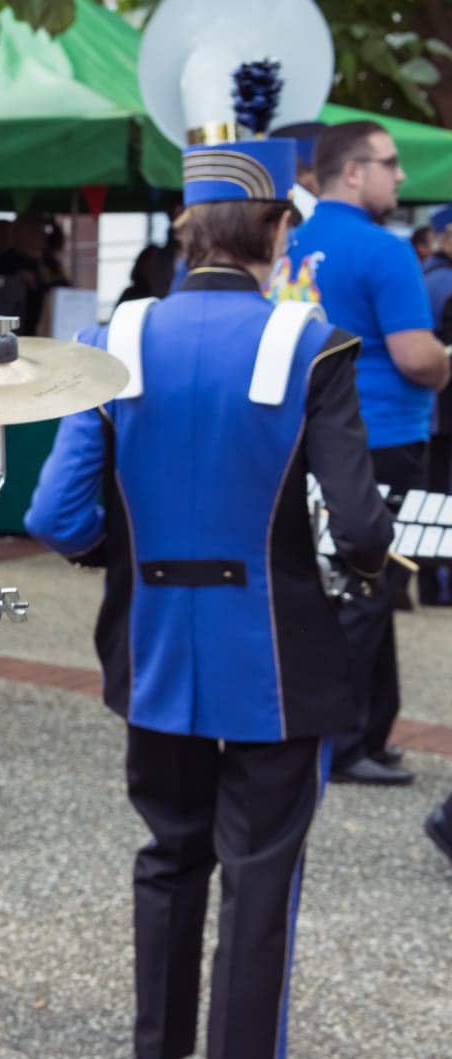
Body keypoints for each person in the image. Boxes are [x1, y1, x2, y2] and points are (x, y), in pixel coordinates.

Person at [26, 132, 393, 1059]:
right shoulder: (311, 341)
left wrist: (137, 551)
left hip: (151, 647)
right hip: (277, 656)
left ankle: (158, 1053)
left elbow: (57, 515)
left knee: (169, 857)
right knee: (260, 881)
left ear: (189, 229)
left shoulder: (116, 336)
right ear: (276, 229)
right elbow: (358, 526)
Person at [272, 119, 451, 786]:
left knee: (356, 586)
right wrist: (445, 364)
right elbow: (415, 357)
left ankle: (372, 727)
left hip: (304, 439)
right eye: (390, 162)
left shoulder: (288, 240)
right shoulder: (386, 250)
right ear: (353, 171)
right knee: (371, 587)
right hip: (385, 438)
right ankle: (342, 744)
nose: (400, 176)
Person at [421, 204, 452, 606]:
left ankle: (429, 584)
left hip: (427, 409)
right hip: (442, 406)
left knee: (430, 493)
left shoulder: (424, 277)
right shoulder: (444, 283)